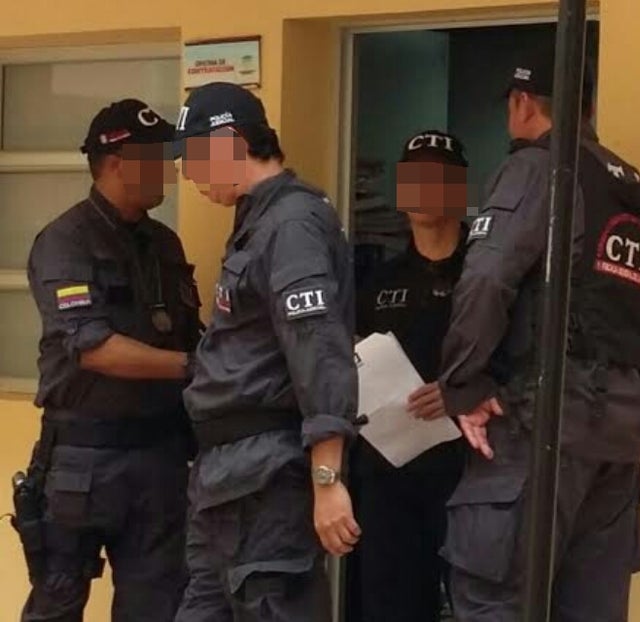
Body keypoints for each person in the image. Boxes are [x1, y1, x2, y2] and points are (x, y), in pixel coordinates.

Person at [411, 50, 640, 621]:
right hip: (617, 443)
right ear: (587, 107)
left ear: (521, 103)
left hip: (536, 424)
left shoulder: (539, 170)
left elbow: (487, 278)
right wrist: (628, 400)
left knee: (496, 600)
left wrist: (464, 384)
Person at [171, 82, 360, 622]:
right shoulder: (258, 220)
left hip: (266, 480)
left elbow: (318, 352)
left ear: (231, 142)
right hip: (225, 480)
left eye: (194, 157)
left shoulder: (291, 224)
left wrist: (327, 480)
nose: (189, 175)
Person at [21, 99, 202, 622]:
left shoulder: (164, 244)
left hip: (159, 458)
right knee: (57, 603)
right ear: (118, 163)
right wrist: (195, 367)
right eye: (157, 158)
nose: (168, 171)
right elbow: (94, 347)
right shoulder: (66, 241)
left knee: (158, 606)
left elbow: (187, 332)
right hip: (84, 459)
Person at [347, 130, 469, 622]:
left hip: (467, 472)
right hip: (388, 473)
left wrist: (458, 393)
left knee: (475, 602)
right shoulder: (378, 280)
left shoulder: (486, 274)